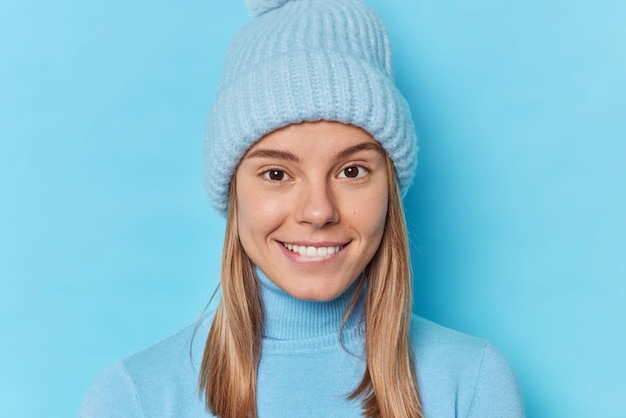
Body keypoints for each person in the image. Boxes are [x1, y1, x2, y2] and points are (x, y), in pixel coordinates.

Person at [80, 0, 525, 417]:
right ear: (234, 191)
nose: (318, 211)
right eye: (276, 174)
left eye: (351, 171)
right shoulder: (134, 398)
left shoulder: (471, 383)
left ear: (389, 187)